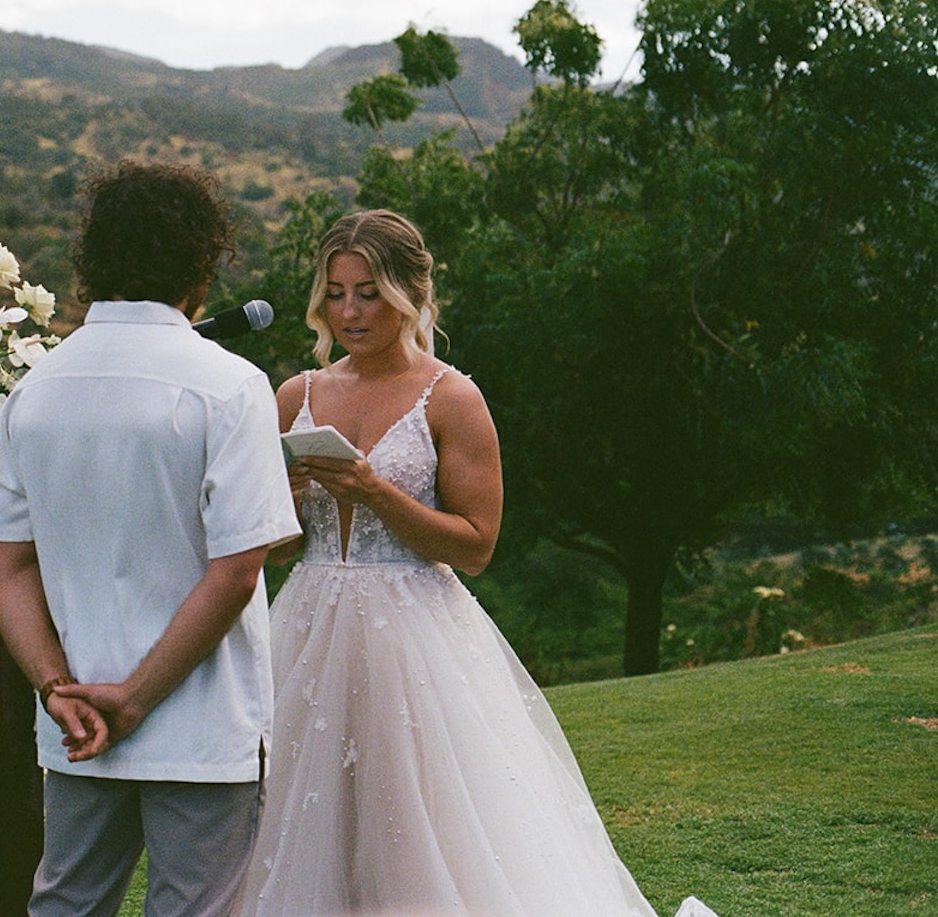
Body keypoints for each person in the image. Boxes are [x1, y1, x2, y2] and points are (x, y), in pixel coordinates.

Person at [237, 208, 715, 917]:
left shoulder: (452, 397)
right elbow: (274, 546)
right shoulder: (295, 395)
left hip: (413, 635)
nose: (349, 311)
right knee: (302, 818)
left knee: (411, 819)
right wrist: (285, 496)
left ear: (407, 292)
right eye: (336, 293)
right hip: (307, 622)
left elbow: (477, 542)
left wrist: (374, 490)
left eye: (367, 291)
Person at [0, 160, 302, 917]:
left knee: (66, 907)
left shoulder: (33, 391)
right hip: (200, 725)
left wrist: (58, 688)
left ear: (94, 261)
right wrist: (133, 697)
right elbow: (236, 571)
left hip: (77, 724)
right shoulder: (229, 386)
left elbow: (7, 564)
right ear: (202, 263)